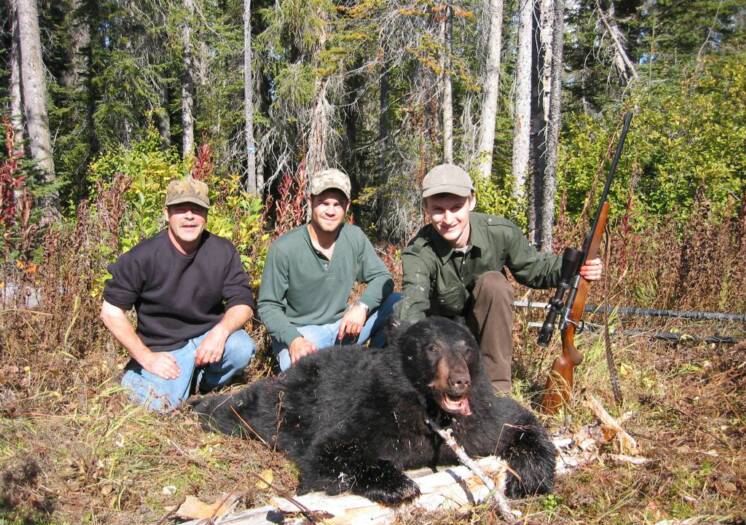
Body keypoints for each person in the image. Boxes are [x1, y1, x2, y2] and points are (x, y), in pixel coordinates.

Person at [397, 163, 602, 393]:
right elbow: (413, 305)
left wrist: (578, 267)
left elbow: (535, 269)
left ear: (471, 201)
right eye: (438, 209)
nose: (448, 218)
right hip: (442, 341)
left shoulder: (500, 232)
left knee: (495, 283)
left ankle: (497, 392)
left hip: (484, 336)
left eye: (456, 207)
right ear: (426, 207)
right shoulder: (419, 251)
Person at [101, 177, 256, 411]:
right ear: (167, 214)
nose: (189, 216)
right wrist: (146, 357)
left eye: (197, 209)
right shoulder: (143, 256)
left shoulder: (222, 250)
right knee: (162, 405)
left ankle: (197, 385)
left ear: (206, 214)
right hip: (165, 347)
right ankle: (135, 377)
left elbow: (243, 302)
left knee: (241, 347)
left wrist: (220, 332)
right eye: (180, 209)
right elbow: (111, 312)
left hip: (207, 338)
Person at [258, 168, 400, 371]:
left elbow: (383, 277)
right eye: (324, 203)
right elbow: (268, 305)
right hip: (304, 333)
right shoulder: (284, 248)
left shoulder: (354, 237)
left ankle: (376, 368)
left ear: (347, 207)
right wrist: (294, 339)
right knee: (298, 373)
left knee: (397, 304)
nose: (331, 211)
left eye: (337, 205)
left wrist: (362, 306)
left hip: (343, 327)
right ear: (311, 202)